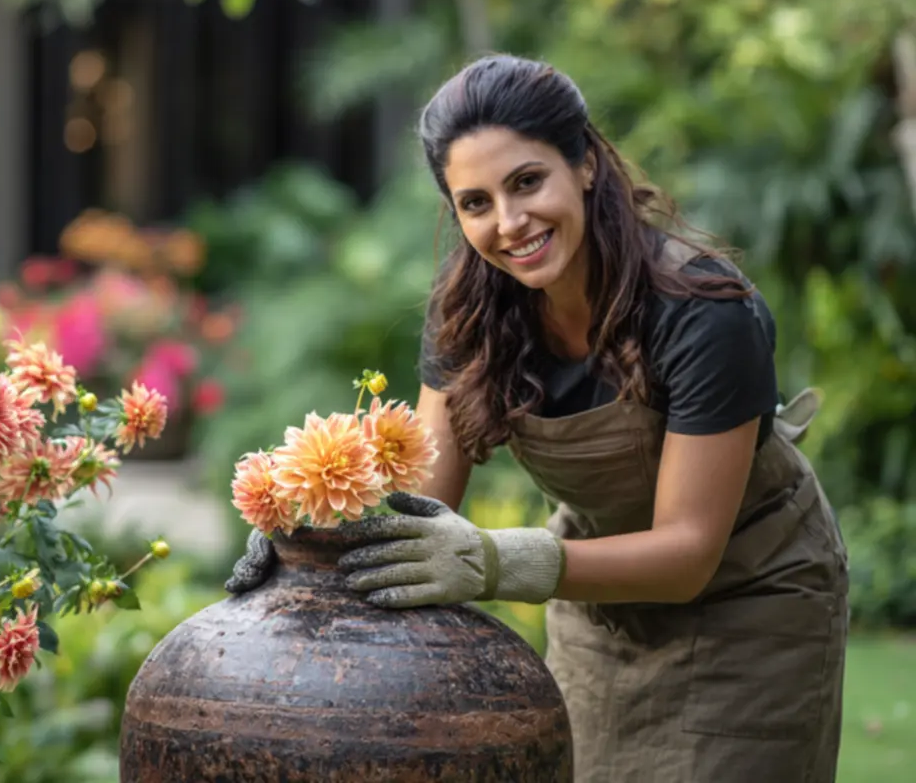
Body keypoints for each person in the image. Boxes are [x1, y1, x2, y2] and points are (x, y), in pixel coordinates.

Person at [224, 54, 849, 782]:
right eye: (476, 203)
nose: (510, 223)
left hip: (752, 600)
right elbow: (421, 504)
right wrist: (309, 545)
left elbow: (688, 555)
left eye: (527, 182)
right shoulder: (471, 316)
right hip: (597, 604)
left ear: (585, 164)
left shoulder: (701, 313)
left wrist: (494, 562)